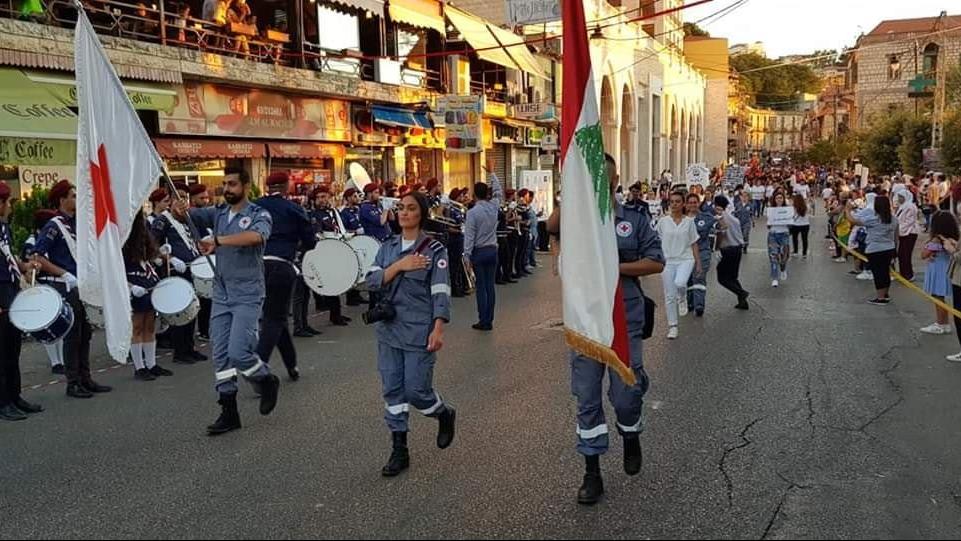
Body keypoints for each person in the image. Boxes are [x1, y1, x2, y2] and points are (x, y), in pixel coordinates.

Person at [551, 154, 664, 506]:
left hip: (623, 319)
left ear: (615, 182)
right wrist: (567, 193)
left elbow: (656, 261)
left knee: (626, 397)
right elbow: (551, 227)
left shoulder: (632, 219)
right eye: (591, 178)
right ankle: (592, 472)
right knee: (586, 399)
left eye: (605, 178)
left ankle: (631, 434)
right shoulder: (575, 215)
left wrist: (616, 267)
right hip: (585, 320)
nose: (599, 183)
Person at [365, 191, 457, 477]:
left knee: (416, 391)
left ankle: (442, 413)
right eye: (401, 208)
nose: (404, 213)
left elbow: (441, 290)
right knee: (393, 389)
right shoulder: (387, 247)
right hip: (389, 331)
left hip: (419, 330)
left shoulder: (434, 250)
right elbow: (371, 280)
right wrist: (399, 266)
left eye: (411, 208)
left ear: (422, 214)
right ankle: (399, 448)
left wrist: (438, 328)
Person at [195, 167, 281, 435]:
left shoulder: (258, 214)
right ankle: (229, 411)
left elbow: (256, 237)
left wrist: (219, 240)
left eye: (232, 184)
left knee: (239, 352)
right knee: (220, 356)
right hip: (222, 293)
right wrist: (177, 209)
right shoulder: (219, 212)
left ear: (246, 186)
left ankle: (266, 379)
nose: (227, 188)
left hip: (248, 293)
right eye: (224, 184)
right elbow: (192, 215)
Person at [34, 180, 112, 399]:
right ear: (62, 200)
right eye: (73, 196)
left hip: (83, 284)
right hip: (67, 284)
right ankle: (73, 382)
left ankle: (86, 378)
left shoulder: (77, 223)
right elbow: (38, 256)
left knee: (85, 333)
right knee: (73, 334)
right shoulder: (54, 225)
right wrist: (64, 273)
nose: (77, 199)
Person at [255, 171, 315, 382]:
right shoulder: (294, 208)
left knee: (275, 316)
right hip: (281, 265)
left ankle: (292, 365)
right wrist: (298, 245)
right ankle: (258, 366)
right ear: (286, 186)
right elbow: (310, 241)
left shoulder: (254, 206)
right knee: (274, 318)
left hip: (255, 266)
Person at [0, 181, 44, 421]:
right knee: (2, 350)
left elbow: (9, 255)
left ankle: (15, 396)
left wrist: (25, 266)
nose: (9, 207)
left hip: (10, 288)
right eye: (7, 202)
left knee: (13, 348)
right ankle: (3, 402)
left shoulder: (3, 226)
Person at [151, 183, 207, 365]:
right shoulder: (163, 220)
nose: (183, 201)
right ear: (171, 200)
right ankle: (180, 351)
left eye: (185, 198)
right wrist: (170, 258)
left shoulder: (188, 219)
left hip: (191, 268)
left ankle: (189, 347)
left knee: (192, 309)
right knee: (180, 310)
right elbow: (152, 245)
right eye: (179, 197)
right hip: (175, 270)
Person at [124, 212, 174, 381]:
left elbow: (149, 256)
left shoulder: (144, 234)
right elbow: (115, 271)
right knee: (137, 326)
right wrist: (129, 287)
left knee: (150, 326)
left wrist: (160, 255)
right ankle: (139, 367)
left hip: (148, 282)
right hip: (134, 283)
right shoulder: (123, 239)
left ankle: (151, 364)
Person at [23, 209, 65, 374]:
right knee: (47, 324)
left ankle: (61, 359)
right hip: (42, 285)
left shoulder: (52, 240)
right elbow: (29, 271)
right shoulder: (31, 242)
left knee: (58, 323)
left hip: (56, 283)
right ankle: (55, 362)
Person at [655, 190, 700, 339]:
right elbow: (656, 241)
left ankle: (683, 298)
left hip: (686, 259)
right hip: (667, 261)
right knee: (669, 295)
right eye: (672, 201)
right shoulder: (663, 222)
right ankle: (673, 326)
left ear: (683, 204)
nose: (674, 204)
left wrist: (698, 263)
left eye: (677, 201)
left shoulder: (689, 222)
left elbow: (694, 243)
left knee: (680, 283)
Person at [304, 184, 350, 330]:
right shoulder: (315, 215)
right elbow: (317, 233)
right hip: (326, 250)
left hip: (336, 248)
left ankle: (337, 313)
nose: (321, 200)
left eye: (323, 197)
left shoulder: (333, 211)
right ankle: (334, 315)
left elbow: (339, 228)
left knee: (337, 282)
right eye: (318, 198)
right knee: (331, 283)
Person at [464, 158, 503, 331]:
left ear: (474, 195)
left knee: (481, 287)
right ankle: (490, 318)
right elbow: (498, 192)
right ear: (487, 193)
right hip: (492, 249)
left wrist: (466, 255)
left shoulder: (472, 212)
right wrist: (492, 173)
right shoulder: (494, 207)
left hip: (479, 252)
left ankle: (483, 320)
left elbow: (469, 236)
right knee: (490, 286)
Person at [846, 195, 896, 305]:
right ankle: (885, 294)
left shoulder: (873, 219)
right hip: (889, 247)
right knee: (885, 272)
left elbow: (854, 221)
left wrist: (848, 210)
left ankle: (880, 297)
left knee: (878, 273)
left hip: (875, 249)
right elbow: (896, 235)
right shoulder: (893, 219)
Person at [919, 211, 958, 335]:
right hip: (946, 267)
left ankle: (941, 323)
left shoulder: (936, 240)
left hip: (938, 270)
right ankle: (944, 323)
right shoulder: (953, 237)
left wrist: (926, 248)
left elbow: (924, 255)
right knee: (940, 297)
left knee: (938, 297)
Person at [714, 195, 750, 310]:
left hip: (728, 249)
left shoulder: (719, 217)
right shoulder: (733, 218)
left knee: (722, 278)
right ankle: (742, 301)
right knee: (733, 277)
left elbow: (721, 233)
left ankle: (741, 292)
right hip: (738, 248)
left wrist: (717, 248)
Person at [189, 183, 214, 341]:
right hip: (198, 258)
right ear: (193, 199)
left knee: (209, 298)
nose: (205, 200)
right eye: (201, 198)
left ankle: (206, 329)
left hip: (209, 254)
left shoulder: (206, 212)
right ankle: (204, 330)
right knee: (204, 298)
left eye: (206, 197)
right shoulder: (193, 213)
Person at [686, 192, 716, 318]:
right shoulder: (681, 219)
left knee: (699, 277)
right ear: (686, 204)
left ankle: (699, 305)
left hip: (702, 251)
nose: (693, 205)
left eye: (695, 202)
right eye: (690, 202)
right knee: (687, 280)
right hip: (685, 253)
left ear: (698, 203)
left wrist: (721, 216)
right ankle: (690, 302)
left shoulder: (706, 217)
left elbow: (720, 227)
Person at [766, 190, 791, 288]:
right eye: (777, 198)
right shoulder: (770, 210)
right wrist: (770, 223)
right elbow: (768, 225)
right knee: (773, 256)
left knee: (784, 256)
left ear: (783, 199)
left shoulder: (788, 209)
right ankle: (775, 278)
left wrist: (789, 221)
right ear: (774, 200)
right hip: (773, 234)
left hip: (784, 234)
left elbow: (790, 224)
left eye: (781, 198)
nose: (779, 200)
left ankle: (783, 268)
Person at [895, 189, 920, 281]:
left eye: (901, 197)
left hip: (910, 233)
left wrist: (899, 230)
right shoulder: (903, 206)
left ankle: (908, 274)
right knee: (902, 254)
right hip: (904, 233)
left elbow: (909, 221)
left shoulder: (910, 206)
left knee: (906, 254)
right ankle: (903, 273)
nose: (899, 199)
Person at [789, 194, 811, 260]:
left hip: (796, 225)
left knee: (795, 239)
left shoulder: (793, 207)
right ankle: (804, 253)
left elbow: (791, 216)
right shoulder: (807, 206)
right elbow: (810, 212)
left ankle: (795, 251)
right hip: (805, 224)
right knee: (805, 239)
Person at [735, 190, 753, 254]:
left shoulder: (750, 205)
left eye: (746, 196)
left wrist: (753, 222)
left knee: (745, 235)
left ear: (748, 197)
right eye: (743, 196)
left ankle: (745, 247)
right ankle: (739, 246)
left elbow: (752, 214)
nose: (744, 198)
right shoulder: (738, 204)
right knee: (740, 235)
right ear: (741, 197)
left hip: (746, 222)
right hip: (739, 222)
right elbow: (735, 213)